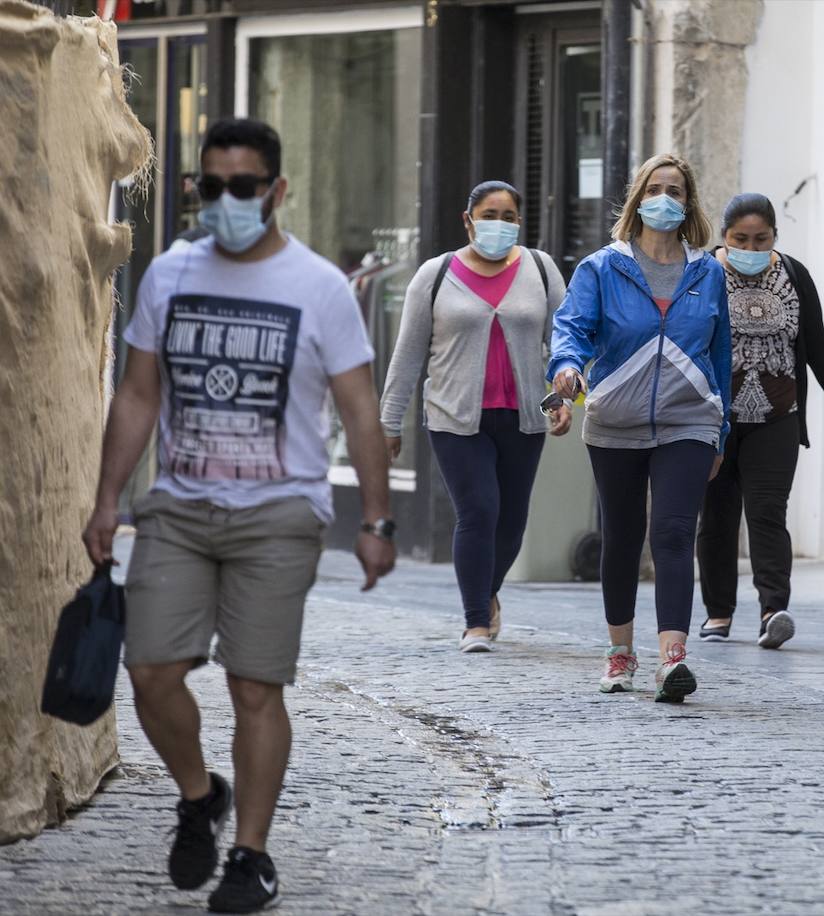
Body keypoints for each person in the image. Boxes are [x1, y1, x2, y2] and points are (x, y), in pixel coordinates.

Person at [81, 118, 395, 913]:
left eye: (242, 187)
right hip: (179, 508)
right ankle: (199, 795)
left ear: (276, 190)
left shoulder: (319, 286)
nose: (225, 201)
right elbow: (140, 392)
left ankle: (250, 855)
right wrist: (106, 500)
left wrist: (377, 521)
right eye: (210, 187)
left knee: (257, 688)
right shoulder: (172, 273)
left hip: (280, 511)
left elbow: (360, 413)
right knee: (149, 672)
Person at [548, 153, 730, 703]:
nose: (665, 199)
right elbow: (572, 329)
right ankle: (620, 652)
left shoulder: (709, 272)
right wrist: (565, 367)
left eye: (676, 190)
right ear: (638, 199)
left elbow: (720, 356)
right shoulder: (602, 268)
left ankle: (672, 660)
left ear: (688, 201)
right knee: (622, 539)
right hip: (617, 419)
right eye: (656, 188)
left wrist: (720, 430)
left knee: (674, 534)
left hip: (689, 419)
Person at [380, 180, 570, 653]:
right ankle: (474, 622)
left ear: (520, 222)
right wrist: (389, 421)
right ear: (468, 220)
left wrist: (561, 401)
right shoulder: (435, 274)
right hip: (454, 417)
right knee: (479, 510)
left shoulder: (541, 270)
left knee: (511, 522)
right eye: (490, 214)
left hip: (523, 416)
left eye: (509, 216)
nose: (499, 225)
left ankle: (486, 593)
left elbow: (563, 346)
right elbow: (407, 355)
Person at [696, 193, 824, 649]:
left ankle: (772, 610)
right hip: (713, 419)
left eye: (761, 239)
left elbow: (816, 344)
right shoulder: (700, 272)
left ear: (775, 236)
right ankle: (718, 613)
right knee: (717, 516)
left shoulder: (794, 275)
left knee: (767, 512)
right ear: (724, 236)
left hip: (778, 416)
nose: (751, 246)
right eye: (741, 238)